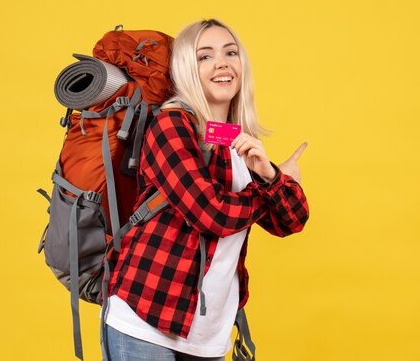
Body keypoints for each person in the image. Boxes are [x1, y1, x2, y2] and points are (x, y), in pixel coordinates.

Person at [102, 19, 310, 360]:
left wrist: (270, 175)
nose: (222, 63)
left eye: (231, 52)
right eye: (205, 56)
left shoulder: (229, 136)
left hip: (207, 334)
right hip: (145, 319)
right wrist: (272, 187)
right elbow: (211, 213)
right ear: (187, 69)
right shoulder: (171, 125)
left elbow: (291, 221)